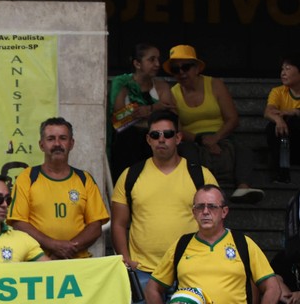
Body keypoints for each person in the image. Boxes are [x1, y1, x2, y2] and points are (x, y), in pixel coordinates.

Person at [110, 110, 218, 304]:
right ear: (148, 139)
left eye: (168, 134)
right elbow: (119, 223)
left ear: (178, 138)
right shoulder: (131, 175)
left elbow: (215, 220)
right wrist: (125, 259)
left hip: (188, 272)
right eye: (155, 134)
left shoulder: (200, 175)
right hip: (143, 272)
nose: (162, 139)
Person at [9, 117, 109, 304]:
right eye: (51, 138)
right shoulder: (27, 178)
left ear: (72, 143)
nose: (57, 144)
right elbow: (19, 223)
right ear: (41, 144)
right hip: (39, 270)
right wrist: (53, 246)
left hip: (77, 270)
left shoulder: (84, 179)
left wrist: (69, 248)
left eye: (62, 138)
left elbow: (96, 225)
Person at [146, 185, 279, 304]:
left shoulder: (242, 243)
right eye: (200, 207)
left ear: (224, 212)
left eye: (212, 206)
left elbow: (273, 288)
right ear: (193, 212)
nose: (205, 212)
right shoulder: (181, 245)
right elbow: (152, 289)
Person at [166, 44, 264, 203]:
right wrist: (200, 140)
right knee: (186, 151)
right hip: (192, 139)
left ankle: (243, 187)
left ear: (196, 68)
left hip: (221, 135)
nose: (181, 72)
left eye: (186, 67)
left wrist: (215, 138)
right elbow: (177, 129)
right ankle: (198, 191)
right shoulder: (172, 93)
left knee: (243, 149)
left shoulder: (215, 84)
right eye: (176, 69)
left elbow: (232, 119)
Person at [108, 43, 177, 180]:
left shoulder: (162, 87)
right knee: (129, 137)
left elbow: (169, 116)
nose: (157, 64)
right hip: (127, 143)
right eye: (152, 60)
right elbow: (118, 120)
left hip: (155, 140)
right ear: (137, 64)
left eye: (158, 59)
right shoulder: (122, 84)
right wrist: (153, 109)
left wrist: (142, 113)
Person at [264, 55, 300, 184]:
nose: (283, 73)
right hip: (288, 142)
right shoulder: (278, 91)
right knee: (272, 127)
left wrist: (295, 112)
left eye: (288, 69)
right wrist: (279, 120)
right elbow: (268, 112)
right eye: (282, 69)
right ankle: (281, 172)